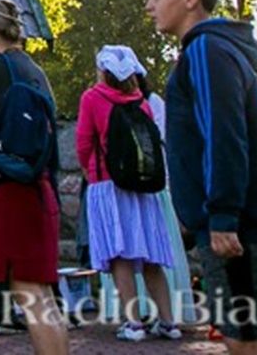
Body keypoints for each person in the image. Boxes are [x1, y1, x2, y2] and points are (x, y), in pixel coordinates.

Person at [145, 0, 257, 354]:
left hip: (245, 221)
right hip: (241, 217)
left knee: (254, 343)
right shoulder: (212, 50)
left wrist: (223, 214)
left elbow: (223, 133)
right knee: (243, 339)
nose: (149, 6)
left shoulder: (206, 50)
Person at [0, 0, 69, 355]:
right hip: (39, 185)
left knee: (28, 292)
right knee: (43, 293)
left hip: (9, 188)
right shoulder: (33, 69)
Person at [75, 45, 181, 342]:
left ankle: (134, 323)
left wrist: (89, 172)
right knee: (150, 256)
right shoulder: (140, 101)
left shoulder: (92, 98)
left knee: (120, 254)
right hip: (143, 187)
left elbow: (84, 141)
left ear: (103, 70)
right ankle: (168, 321)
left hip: (108, 185)